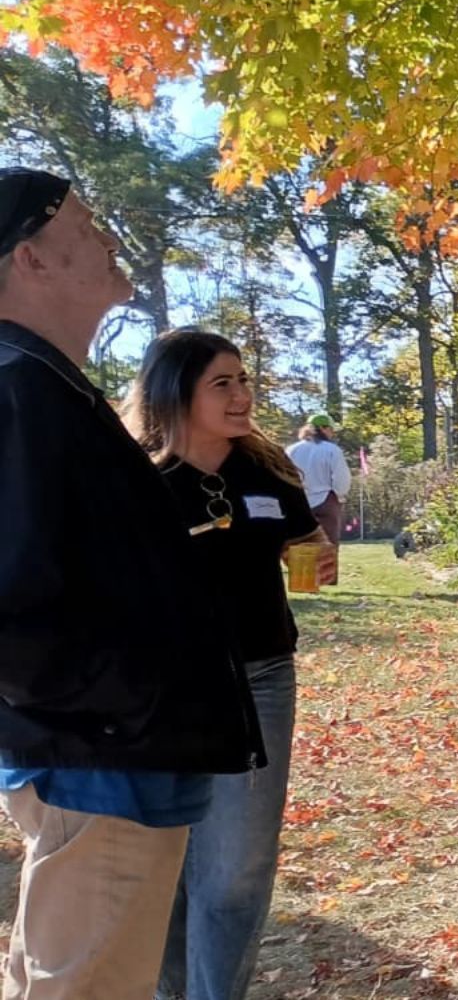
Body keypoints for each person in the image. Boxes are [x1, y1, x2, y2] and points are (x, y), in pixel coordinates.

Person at [0, 167, 264, 999]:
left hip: (112, 758)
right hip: (99, 765)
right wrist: (125, 706)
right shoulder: (18, 388)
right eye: (83, 223)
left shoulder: (49, 386)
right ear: (30, 257)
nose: (108, 235)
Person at [123, 330, 332, 1000]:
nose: (242, 395)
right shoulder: (132, 478)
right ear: (175, 392)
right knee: (164, 863)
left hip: (260, 678)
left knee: (237, 868)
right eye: (223, 383)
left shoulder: (268, 471)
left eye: (243, 380)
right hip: (163, 690)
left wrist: (316, 557)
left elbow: (304, 542)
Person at [287, 412, 351, 547]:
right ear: (323, 429)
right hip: (325, 503)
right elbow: (341, 479)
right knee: (327, 548)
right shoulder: (332, 450)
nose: (332, 433)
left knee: (298, 548)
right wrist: (340, 496)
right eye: (331, 429)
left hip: (297, 504)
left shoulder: (291, 450)